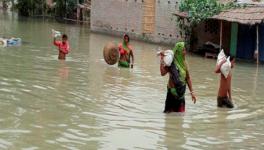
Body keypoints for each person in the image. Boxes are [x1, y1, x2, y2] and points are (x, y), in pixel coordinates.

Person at [160, 42, 197, 113]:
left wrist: (192, 92)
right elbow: (162, 73)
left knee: (180, 119)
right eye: (183, 50)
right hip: (171, 96)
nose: (185, 52)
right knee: (168, 119)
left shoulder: (184, 63)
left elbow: (188, 78)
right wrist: (162, 60)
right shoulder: (171, 63)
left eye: (185, 50)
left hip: (181, 96)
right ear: (178, 52)